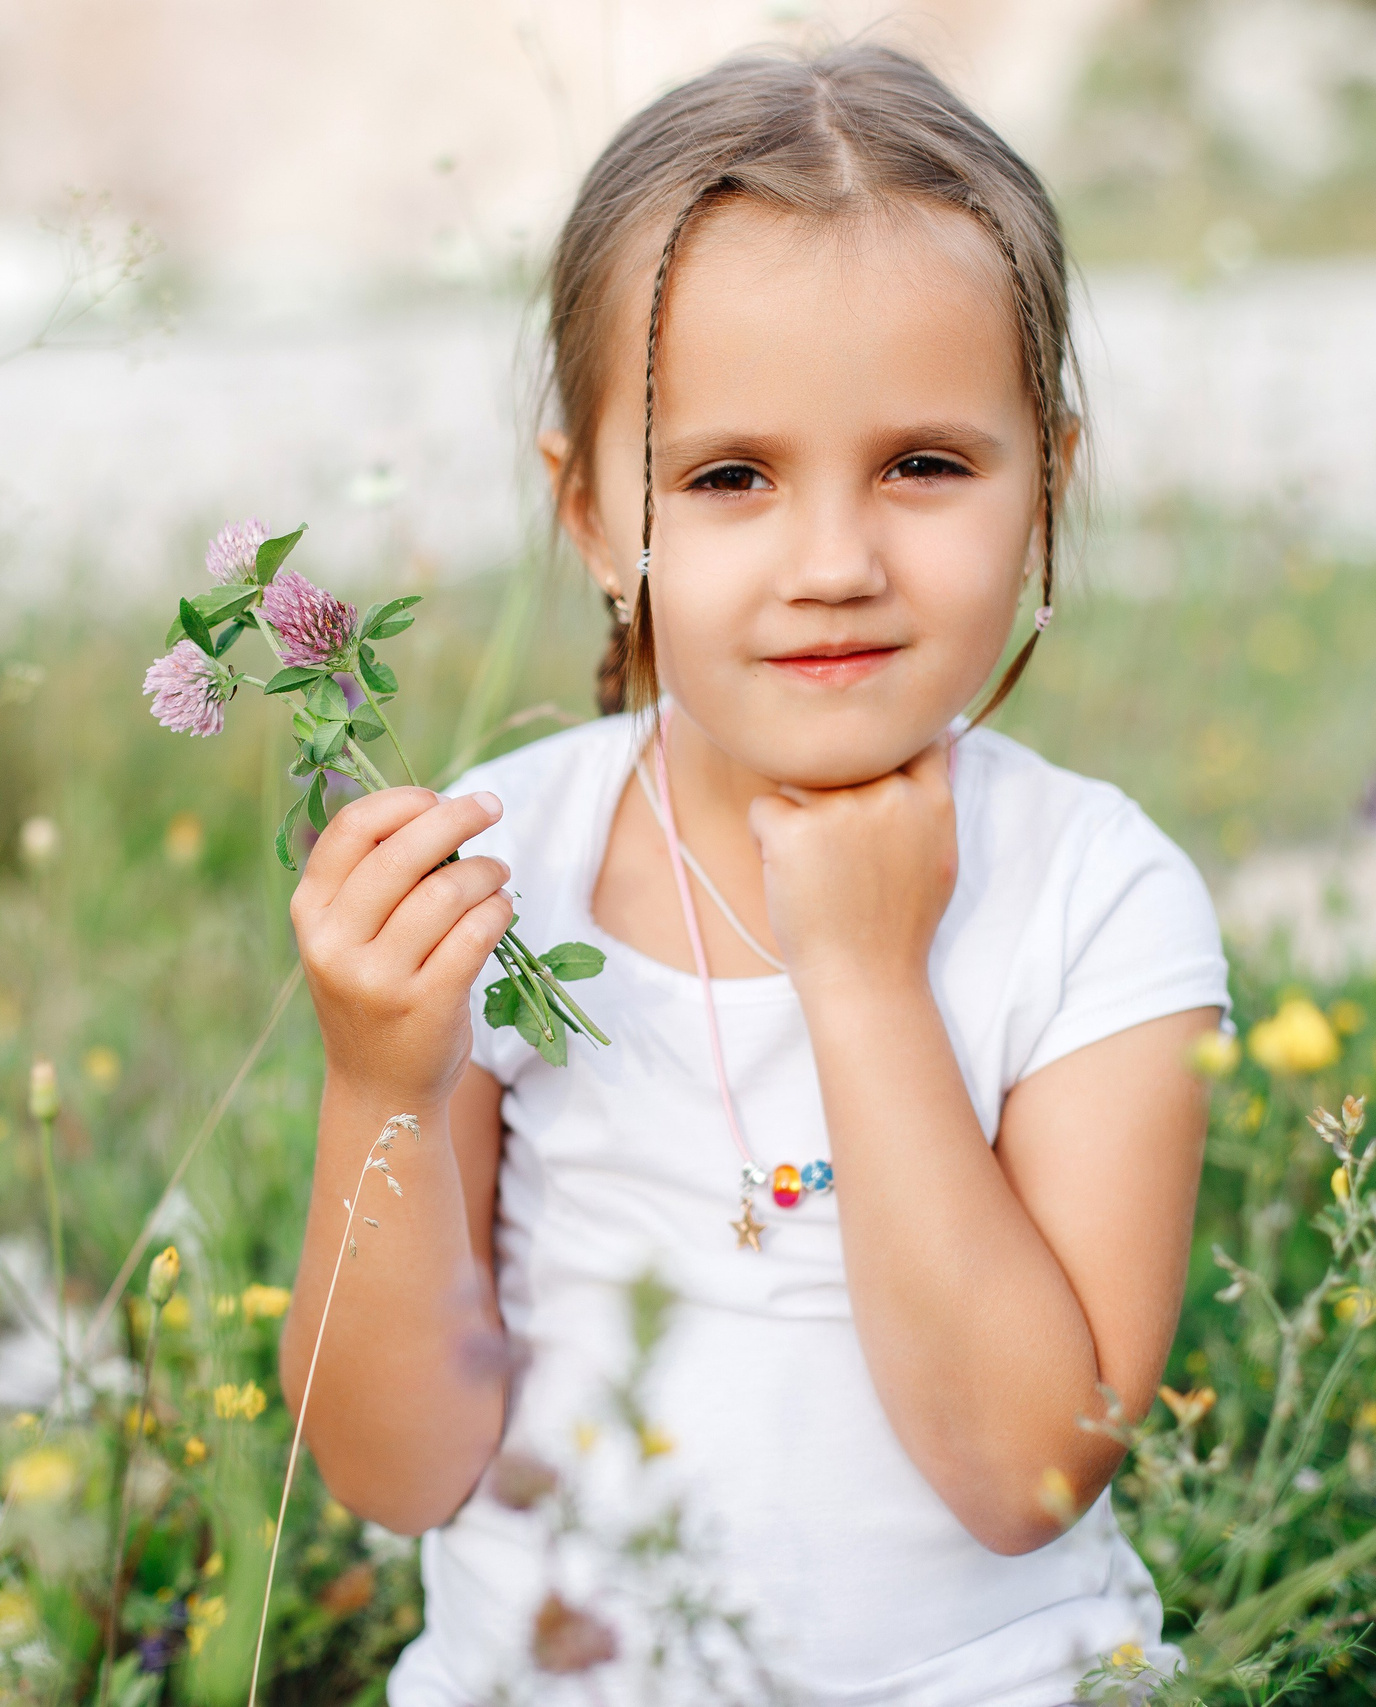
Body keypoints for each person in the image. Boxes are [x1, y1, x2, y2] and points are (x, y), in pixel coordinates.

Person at [279, 41, 1230, 1706]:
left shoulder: (1099, 894)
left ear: (1047, 485)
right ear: (594, 515)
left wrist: (863, 976)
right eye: (731, 477)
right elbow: (391, 1471)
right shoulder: (507, 871)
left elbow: (1025, 1477)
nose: (838, 564)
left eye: (925, 464)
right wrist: (382, 1082)